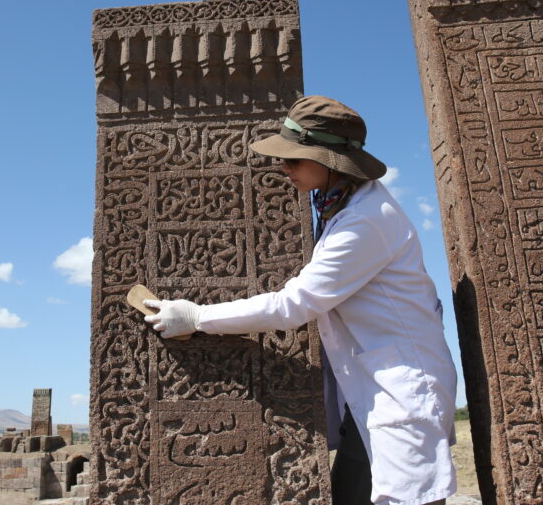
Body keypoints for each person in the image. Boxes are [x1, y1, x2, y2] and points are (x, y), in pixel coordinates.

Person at [143, 95, 457, 505]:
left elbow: (295, 304)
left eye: (293, 158)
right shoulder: (341, 207)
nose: (283, 166)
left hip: (400, 393)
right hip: (372, 392)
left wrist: (198, 316)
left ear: (330, 161)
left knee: (408, 498)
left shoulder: (365, 221)